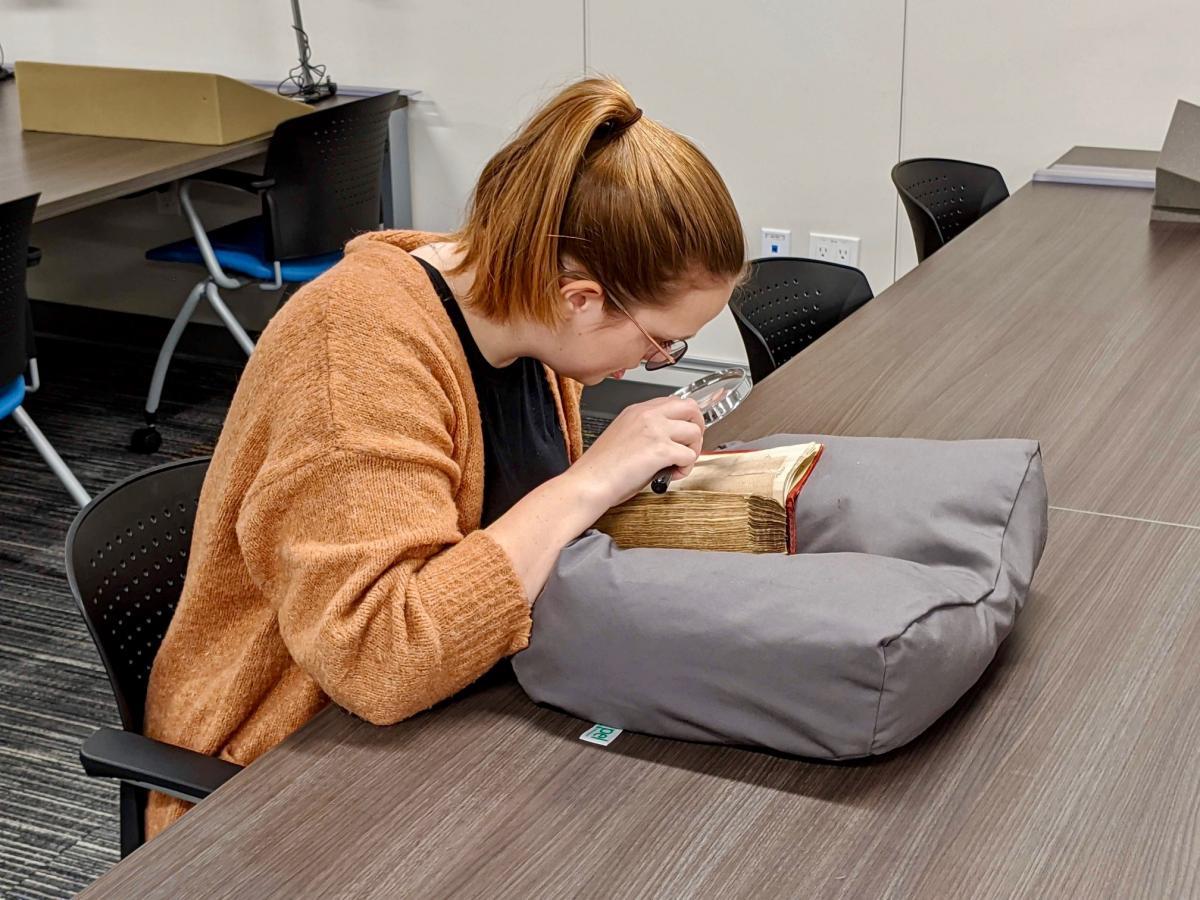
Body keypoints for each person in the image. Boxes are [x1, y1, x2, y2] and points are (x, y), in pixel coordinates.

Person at [142, 76, 746, 837]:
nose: (659, 361)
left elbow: (506, 535)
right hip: (285, 760)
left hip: (455, 707)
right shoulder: (356, 352)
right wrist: (586, 483)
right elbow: (380, 659)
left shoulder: (525, 323)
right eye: (663, 342)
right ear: (582, 298)